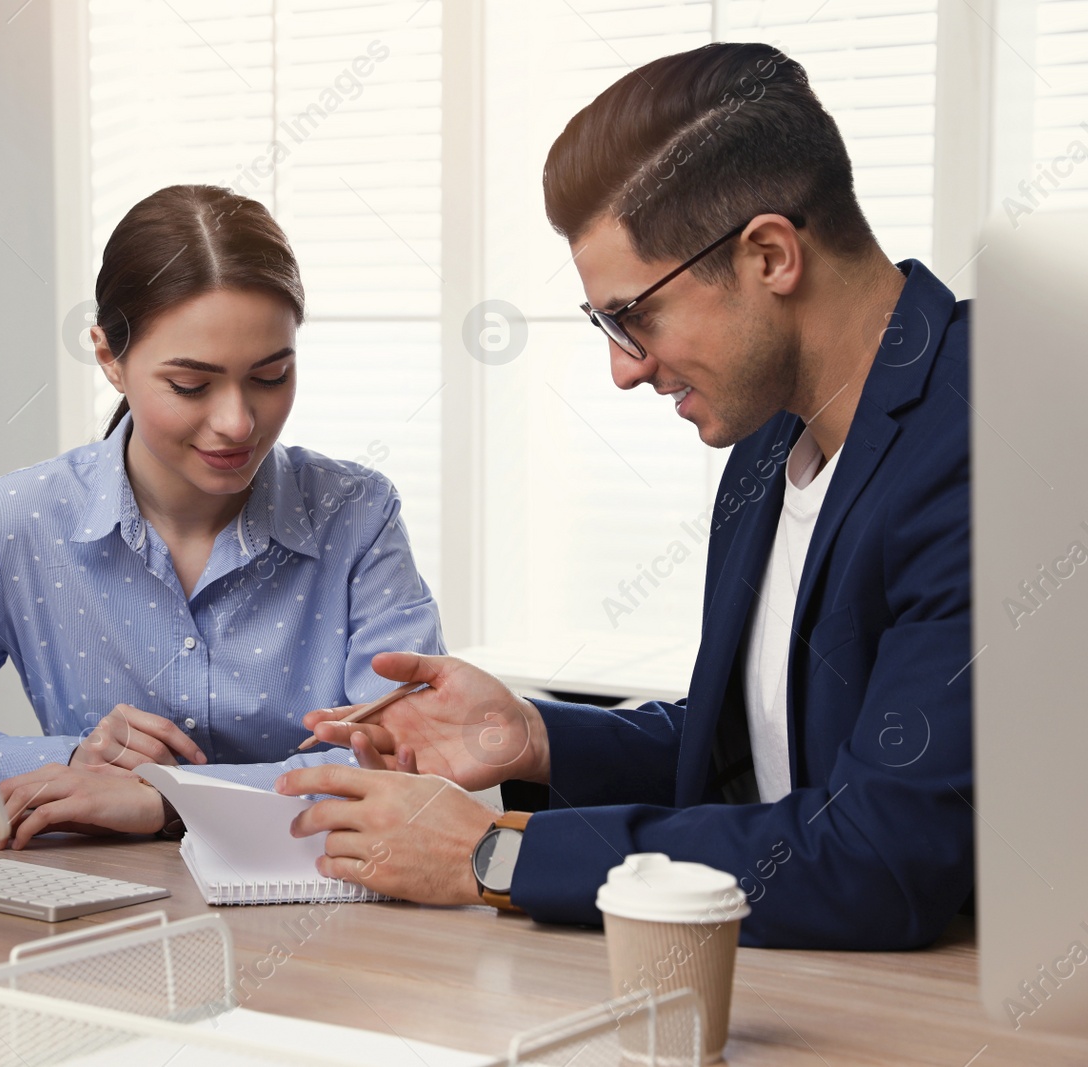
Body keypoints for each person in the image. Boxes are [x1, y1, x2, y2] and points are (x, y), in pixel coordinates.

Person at [277, 42, 974, 951]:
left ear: (769, 255)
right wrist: (528, 736)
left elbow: (879, 854)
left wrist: (496, 855)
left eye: (633, 315)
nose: (622, 368)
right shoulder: (772, 439)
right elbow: (755, 757)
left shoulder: (984, 441)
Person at [0, 185, 443, 849]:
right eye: (191, 385)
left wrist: (171, 800)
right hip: (93, 912)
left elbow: (407, 764)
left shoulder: (358, 515)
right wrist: (67, 761)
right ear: (110, 359)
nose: (237, 422)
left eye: (270, 375)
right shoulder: (17, 522)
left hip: (322, 920)